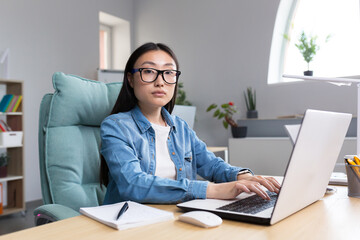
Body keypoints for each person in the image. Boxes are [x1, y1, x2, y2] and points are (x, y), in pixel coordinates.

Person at [100, 42, 280, 204]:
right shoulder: (116, 126)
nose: (160, 81)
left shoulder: (181, 127)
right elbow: (132, 184)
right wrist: (214, 190)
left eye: (169, 73)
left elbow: (211, 165)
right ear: (130, 79)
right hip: (130, 221)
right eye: (149, 71)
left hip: (175, 217)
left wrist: (244, 177)